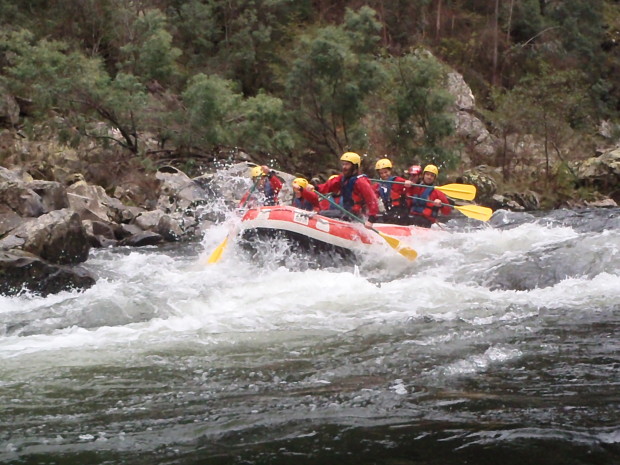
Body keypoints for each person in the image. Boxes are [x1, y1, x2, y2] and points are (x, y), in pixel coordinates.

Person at [319, 151, 379, 227]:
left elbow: (372, 200)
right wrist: (316, 188)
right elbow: (329, 185)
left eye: (347, 164)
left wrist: (371, 219)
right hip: (347, 212)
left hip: (356, 215)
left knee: (322, 214)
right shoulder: (343, 178)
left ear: (354, 166)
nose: (344, 167)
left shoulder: (361, 181)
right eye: (343, 164)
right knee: (322, 213)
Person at [373, 158, 411, 225]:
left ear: (390, 171)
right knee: (381, 217)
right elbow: (372, 194)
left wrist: (408, 183)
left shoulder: (397, 180)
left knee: (393, 217)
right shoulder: (379, 185)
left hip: (401, 211)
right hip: (389, 211)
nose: (384, 175)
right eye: (381, 173)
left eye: (386, 172)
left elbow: (410, 187)